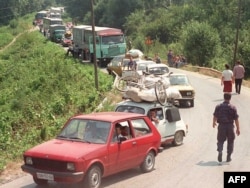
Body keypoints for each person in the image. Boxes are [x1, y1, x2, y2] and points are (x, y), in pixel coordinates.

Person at [212, 93, 240, 162]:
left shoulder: (218, 106)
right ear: (230, 98)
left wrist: (214, 122)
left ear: (224, 98)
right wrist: (238, 129)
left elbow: (215, 116)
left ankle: (220, 151)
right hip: (230, 126)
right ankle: (228, 156)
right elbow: (236, 119)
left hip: (221, 126)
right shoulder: (233, 108)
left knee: (220, 140)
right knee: (230, 141)